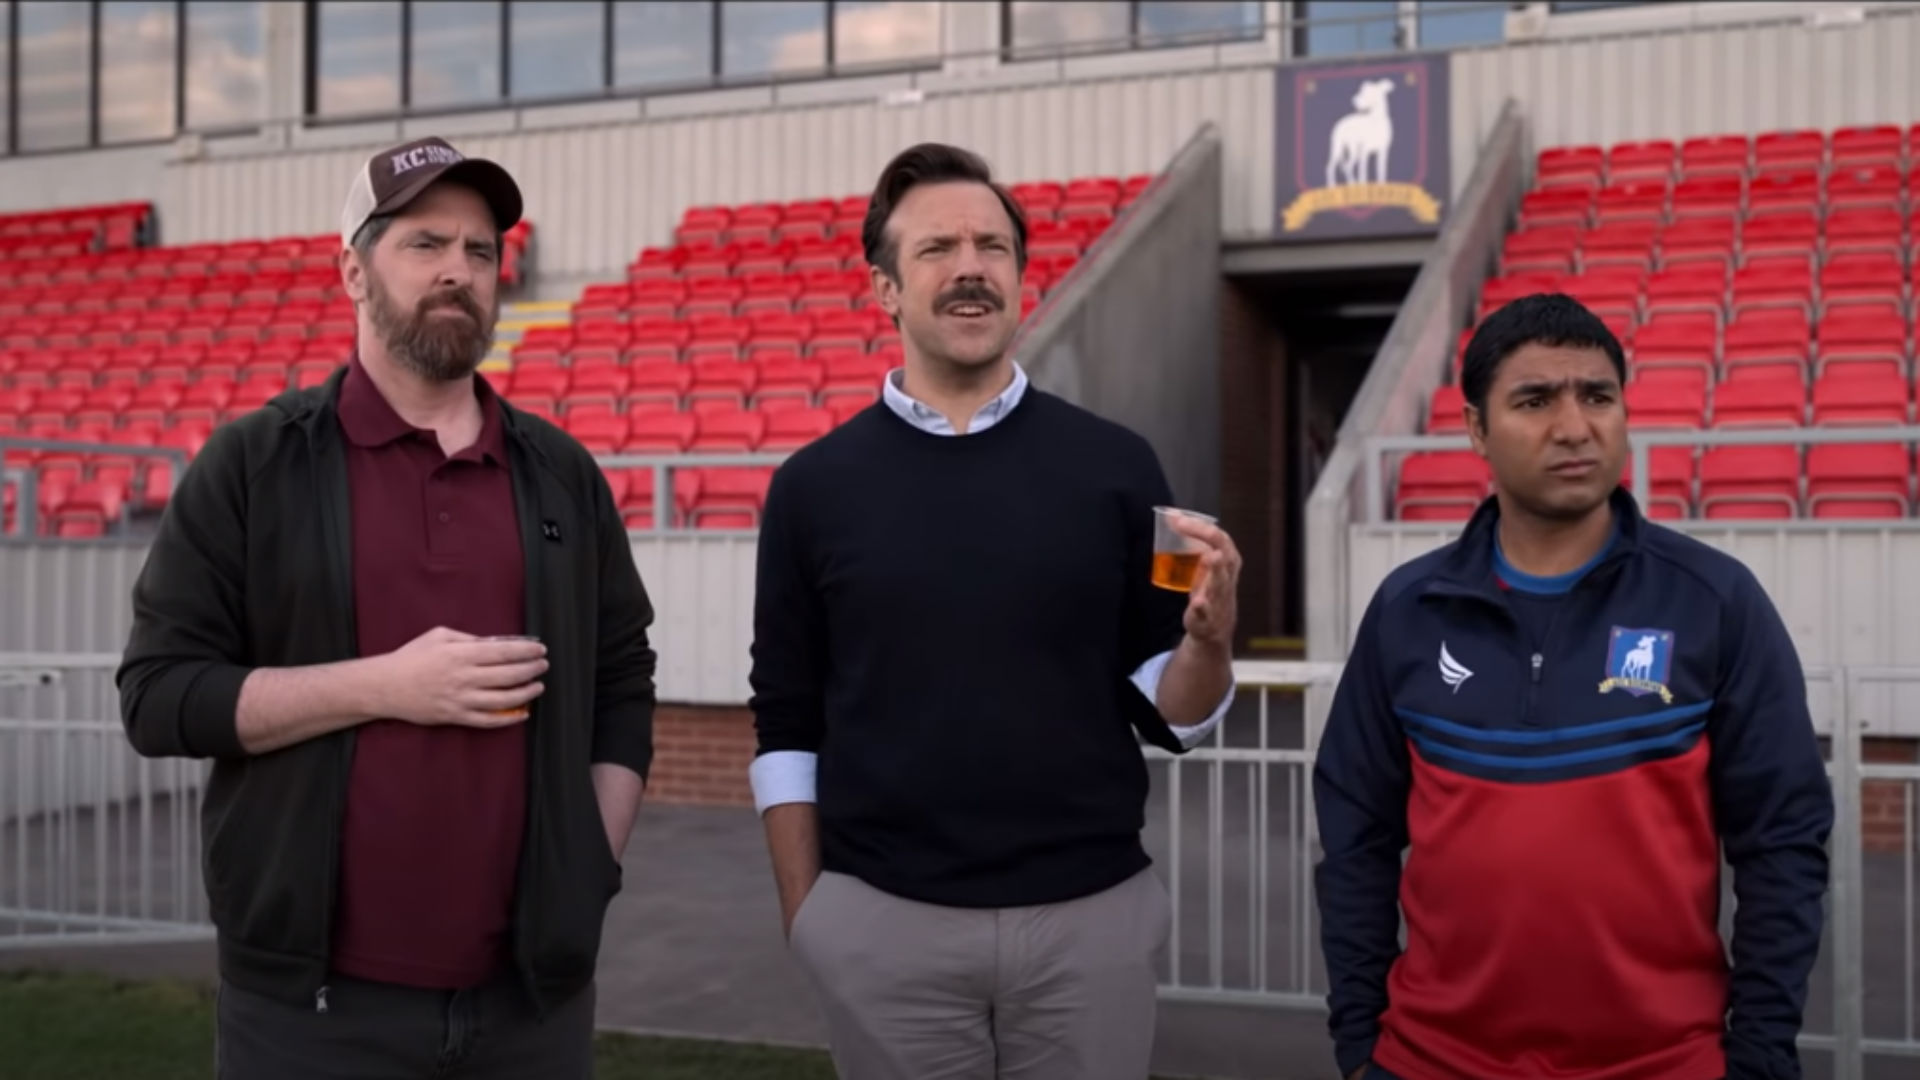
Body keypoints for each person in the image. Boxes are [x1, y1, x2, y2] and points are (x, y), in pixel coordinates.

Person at [115, 135, 658, 1080]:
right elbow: (160, 699)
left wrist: (589, 862)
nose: (459, 270)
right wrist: (386, 686)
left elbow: (622, 677)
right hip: (309, 1012)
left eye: (480, 251)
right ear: (353, 272)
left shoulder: (560, 474)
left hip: (530, 1005)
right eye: (424, 243)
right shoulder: (255, 466)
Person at [746, 141, 1243, 1080]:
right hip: (884, 927)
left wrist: (1210, 646)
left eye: (992, 247)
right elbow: (785, 721)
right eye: (936, 249)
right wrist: (810, 915)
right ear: (886, 289)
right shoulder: (812, 489)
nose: (970, 267)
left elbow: (1171, 710)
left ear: (1021, 277)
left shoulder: (1118, 467)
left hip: (1089, 924)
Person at [1312, 293, 1833, 1080]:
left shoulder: (1714, 600)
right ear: (1476, 430)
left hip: (1667, 1063)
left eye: (1597, 395)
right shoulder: (1408, 611)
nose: (1573, 426)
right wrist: (1361, 1042)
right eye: (1534, 400)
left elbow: (1783, 841)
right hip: (1429, 1060)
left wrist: (1757, 1057)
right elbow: (1356, 837)